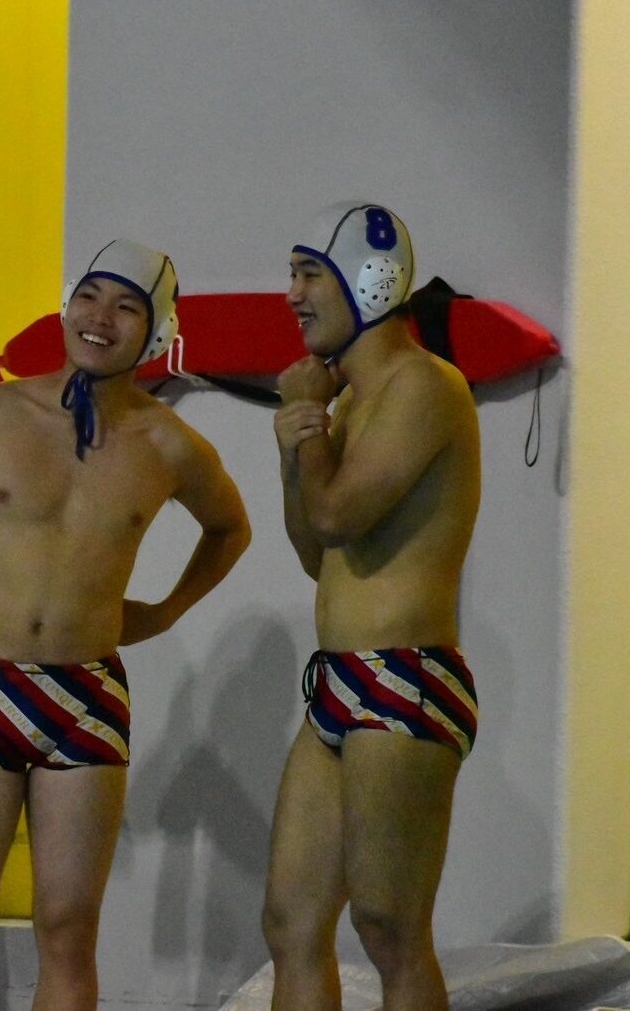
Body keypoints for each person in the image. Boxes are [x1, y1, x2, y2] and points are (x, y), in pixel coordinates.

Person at [0, 239, 250, 1009]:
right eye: (90, 295)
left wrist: (167, 610)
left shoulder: (169, 444)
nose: (100, 318)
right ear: (65, 303)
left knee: (68, 929)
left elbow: (230, 528)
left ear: (155, 332)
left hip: (86, 698)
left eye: (125, 306)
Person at [260, 202, 481, 1011]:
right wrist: (298, 441)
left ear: (372, 281)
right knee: (290, 921)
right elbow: (312, 550)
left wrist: (306, 431)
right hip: (337, 684)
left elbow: (336, 515)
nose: (292, 294)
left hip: (407, 679)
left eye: (309, 274)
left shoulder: (426, 386)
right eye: (293, 274)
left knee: (389, 926)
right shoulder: (350, 402)